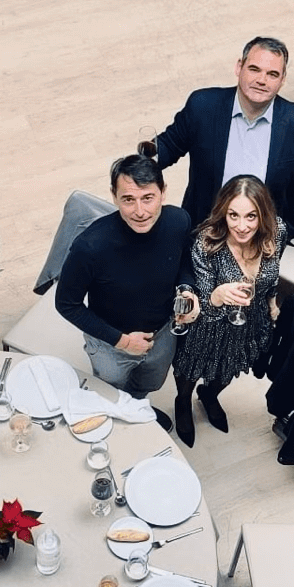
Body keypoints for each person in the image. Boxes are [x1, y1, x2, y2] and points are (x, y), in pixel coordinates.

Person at [56, 155, 199, 430]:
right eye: (128, 199)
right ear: (114, 196)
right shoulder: (90, 247)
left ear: (163, 192)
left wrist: (187, 290)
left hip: (163, 333)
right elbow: (66, 303)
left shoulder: (178, 221)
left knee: (151, 383)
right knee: (110, 393)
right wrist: (121, 341)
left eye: (148, 198)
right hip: (111, 343)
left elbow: (184, 260)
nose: (140, 211)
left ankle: (134, 410)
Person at [150, 36, 294, 240]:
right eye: (254, 69)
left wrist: (285, 232)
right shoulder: (203, 106)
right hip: (204, 230)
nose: (262, 80)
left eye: (272, 74)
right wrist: (141, 162)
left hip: (259, 242)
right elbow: (169, 145)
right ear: (239, 67)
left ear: (282, 79)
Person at [170, 175, 285, 448]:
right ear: (223, 211)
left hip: (252, 322)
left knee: (231, 368)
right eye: (233, 215)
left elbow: (273, 276)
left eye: (251, 217)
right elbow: (205, 311)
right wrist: (217, 295)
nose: (242, 226)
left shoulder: (277, 231)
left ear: (263, 215)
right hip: (209, 327)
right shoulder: (207, 244)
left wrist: (271, 304)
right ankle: (183, 401)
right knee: (190, 370)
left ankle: (209, 395)